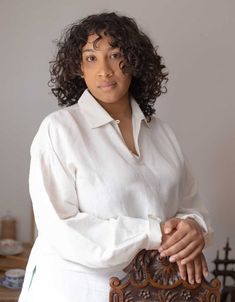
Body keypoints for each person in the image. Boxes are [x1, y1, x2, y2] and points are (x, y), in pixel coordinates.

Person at [19, 12, 213, 302]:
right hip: (76, 291)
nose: (105, 71)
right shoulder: (58, 130)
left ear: (133, 62)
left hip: (154, 293)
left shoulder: (162, 132)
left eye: (115, 55)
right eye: (91, 58)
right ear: (78, 68)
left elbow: (190, 205)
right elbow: (62, 228)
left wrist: (193, 229)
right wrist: (156, 233)